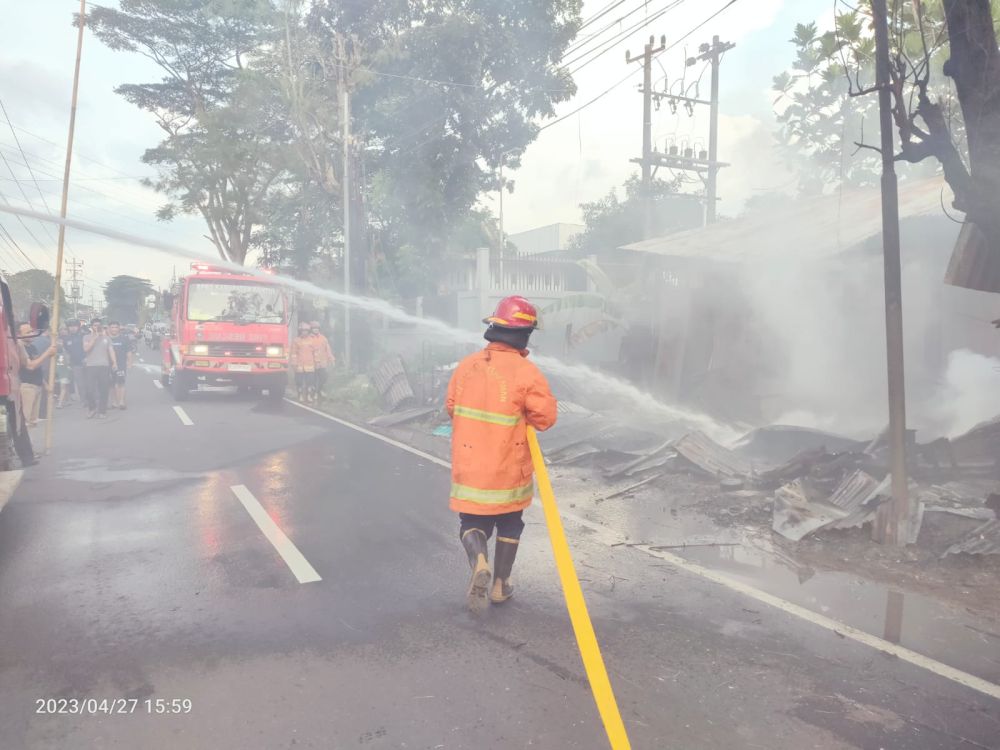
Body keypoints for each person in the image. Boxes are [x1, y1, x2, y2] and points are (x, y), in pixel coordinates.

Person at [445, 295, 557, 610]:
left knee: (471, 521)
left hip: (470, 465)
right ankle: (499, 585)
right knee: (510, 522)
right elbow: (545, 418)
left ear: (495, 327)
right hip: (509, 466)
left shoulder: (467, 366)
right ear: (524, 334)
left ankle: (479, 560)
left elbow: (451, 407)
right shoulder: (526, 372)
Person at [17, 323, 57, 428]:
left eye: (32, 331)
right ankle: (23, 444)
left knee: (32, 422)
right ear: (19, 334)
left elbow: (37, 367)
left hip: (37, 385)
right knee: (25, 420)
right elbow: (31, 366)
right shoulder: (19, 347)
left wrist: (45, 384)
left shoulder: (32, 347)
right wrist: (47, 353)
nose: (31, 334)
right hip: (27, 386)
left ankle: (29, 443)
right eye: (27, 332)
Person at [82, 319, 117, 419]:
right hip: (90, 366)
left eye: (98, 325)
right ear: (91, 327)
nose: (97, 327)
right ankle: (92, 408)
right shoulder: (86, 337)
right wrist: (94, 338)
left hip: (104, 366)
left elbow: (111, 351)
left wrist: (114, 362)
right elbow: (86, 349)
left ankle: (102, 410)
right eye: (95, 325)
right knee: (89, 389)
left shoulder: (107, 338)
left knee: (104, 389)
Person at [290, 321, 319, 404]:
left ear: (308, 331)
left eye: (306, 330)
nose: (304, 332)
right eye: (303, 330)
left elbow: (316, 352)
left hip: (310, 366)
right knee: (299, 382)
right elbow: (293, 353)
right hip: (299, 366)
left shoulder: (312, 340)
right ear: (300, 331)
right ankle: (300, 395)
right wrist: (294, 364)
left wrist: (317, 362)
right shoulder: (296, 341)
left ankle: (309, 396)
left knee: (310, 383)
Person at [107, 322, 134, 410]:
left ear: (119, 328)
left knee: (120, 383)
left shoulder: (124, 339)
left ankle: (121, 402)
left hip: (121, 365)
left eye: (116, 327)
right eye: (112, 327)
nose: (114, 329)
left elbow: (129, 352)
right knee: (111, 385)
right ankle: (114, 402)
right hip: (107, 365)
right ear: (109, 328)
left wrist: (130, 362)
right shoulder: (106, 339)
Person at [309, 321, 335, 403]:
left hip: (322, 363)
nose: (316, 330)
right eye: (314, 328)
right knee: (313, 379)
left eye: (317, 328)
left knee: (323, 378)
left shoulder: (323, 338)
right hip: (312, 363)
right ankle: (314, 392)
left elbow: (328, 350)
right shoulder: (308, 339)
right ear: (311, 329)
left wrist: (331, 359)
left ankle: (318, 390)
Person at [62, 319, 86, 403]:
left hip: (87, 363)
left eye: (74, 326)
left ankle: (95, 400)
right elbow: (66, 352)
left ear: (78, 327)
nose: (72, 328)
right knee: (80, 384)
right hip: (76, 364)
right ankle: (84, 400)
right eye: (70, 326)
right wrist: (68, 364)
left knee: (91, 382)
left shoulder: (84, 336)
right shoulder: (66, 339)